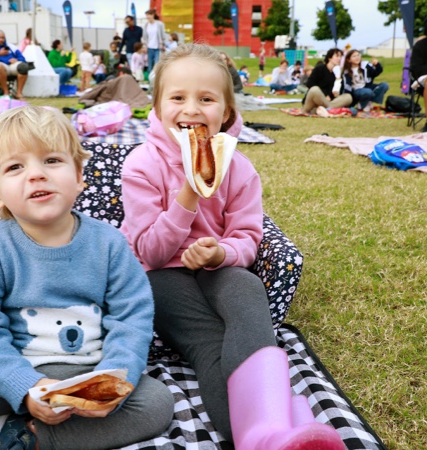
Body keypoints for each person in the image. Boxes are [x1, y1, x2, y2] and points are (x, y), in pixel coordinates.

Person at [0, 106, 175, 450]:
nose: (36, 175)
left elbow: (132, 319)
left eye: (51, 160)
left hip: (89, 370)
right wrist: (24, 386)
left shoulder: (109, 244)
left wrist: (112, 378)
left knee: (157, 403)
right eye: (15, 167)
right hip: (10, 369)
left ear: (79, 174)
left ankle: (31, 439)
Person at [119, 42, 306, 446]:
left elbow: (248, 238)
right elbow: (148, 250)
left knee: (247, 290)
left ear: (227, 113)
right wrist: (189, 192)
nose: (191, 109)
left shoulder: (239, 168)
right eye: (178, 98)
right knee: (210, 342)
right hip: (159, 276)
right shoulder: (141, 164)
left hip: (217, 268)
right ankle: (250, 435)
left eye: (206, 99)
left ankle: (274, 423)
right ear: (156, 107)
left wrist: (221, 252)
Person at [302, 48, 352, 116]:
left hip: (324, 103)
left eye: (340, 56)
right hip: (312, 101)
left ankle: (326, 109)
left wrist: (333, 95)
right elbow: (309, 84)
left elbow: (328, 93)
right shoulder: (320, 68)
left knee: (348, 97)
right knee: (315, 89)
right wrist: (325, 95)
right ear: (329, 58)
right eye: (337, 56)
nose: (339, 58)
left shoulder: (333, 75)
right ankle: (329, 109)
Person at [0, 30, 29, 100]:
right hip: (0, 66)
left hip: (12, 66)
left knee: (23, 66)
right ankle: (6, 93)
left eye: (3, 38)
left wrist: (17, 60)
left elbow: (22, 57)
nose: (1, 39)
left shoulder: (11, 46)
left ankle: (19, 93)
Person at [144, 9, 165, 74]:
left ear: (153, 15)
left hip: (158, 47)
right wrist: (145, 46)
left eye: (149, 15)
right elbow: (144, 37)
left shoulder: (159, 24)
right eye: (146, 15)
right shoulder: (146, 25)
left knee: (157, 64)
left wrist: (162, 44)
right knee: (149, 64)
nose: (147, 17)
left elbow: (163, 35)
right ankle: (150, 81)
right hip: (149, 47)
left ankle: (156, 80)